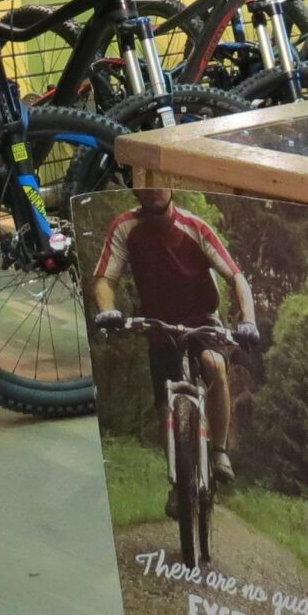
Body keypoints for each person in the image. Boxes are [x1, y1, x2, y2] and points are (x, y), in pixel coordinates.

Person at [90, 189, 259, 485]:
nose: (152, 189)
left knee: (214, 365)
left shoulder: (195, 227)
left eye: (159, 182)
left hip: (201, 318)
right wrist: (107, 310)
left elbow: (236, 276)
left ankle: (219, 451)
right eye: (144, 183)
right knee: (163, 404)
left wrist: (248, 321)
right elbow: (105, 278)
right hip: (159, 323)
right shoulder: (125, 227)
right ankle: (178, 483)